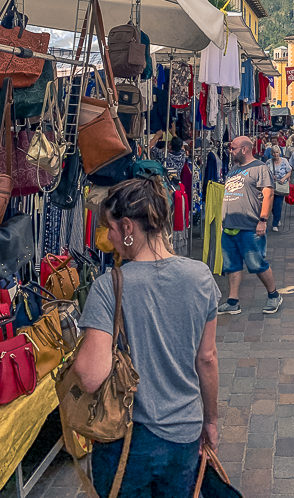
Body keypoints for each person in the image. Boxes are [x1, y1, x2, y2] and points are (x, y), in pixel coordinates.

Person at [75, 176, 220, 497]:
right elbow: (207, 359)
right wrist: (210, 421)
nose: (109, 238)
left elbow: (90, 376)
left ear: (128, 227)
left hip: (127, 440)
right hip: (184, 434)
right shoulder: (200, 277)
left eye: (110, 228)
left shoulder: (109, 287)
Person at [217, 136, 283, 315]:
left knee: (257, 264)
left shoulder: (260, 168)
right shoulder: (234, 169)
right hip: (230, 225)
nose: (230, 151)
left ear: (244, 149)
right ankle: (233, 301)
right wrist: (224, 221)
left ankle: (274, 295)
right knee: (232, 265)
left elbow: (268, 194)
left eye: (233, 148)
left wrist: (263, 220)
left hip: (250, 226)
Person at [266, 145, 292, 233]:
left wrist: (283, 179)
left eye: (277, 152)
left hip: (281, 185)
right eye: (274, 152)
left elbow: (289, 171)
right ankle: (277, 217)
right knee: (271, 205)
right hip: (271, 186)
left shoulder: (284, 161)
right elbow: (265, 172)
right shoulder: (268, 162)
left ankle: (275, 223)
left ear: (279, 153)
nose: (275, 154)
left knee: (278, 204)